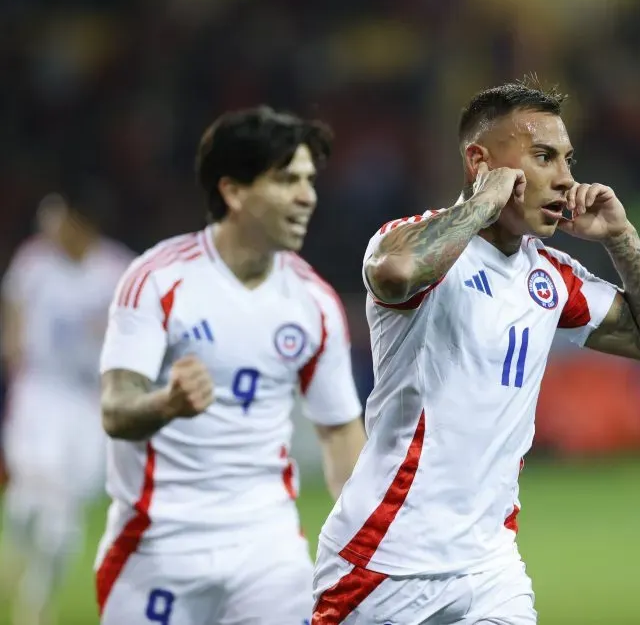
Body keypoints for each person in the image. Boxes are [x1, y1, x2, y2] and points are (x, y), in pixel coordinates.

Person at [312, 80, 640, 624]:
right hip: (386, 559)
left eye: (567, 158)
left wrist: (620, 236)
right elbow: (395, 275)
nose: (565, 178)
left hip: (491, 563)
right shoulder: (411, 242)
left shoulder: (550, 276)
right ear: (478, 160)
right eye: (543, 157)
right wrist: (484, 203)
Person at [94, 106, 367, 625]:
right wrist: (167, 403)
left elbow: (339, 436)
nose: (307, 196)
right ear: (234, 191)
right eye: (287, 180)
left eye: (309, 181)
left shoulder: (314, 302)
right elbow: (115, 407)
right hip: (157, 544)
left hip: (266, 548)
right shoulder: (157, 280)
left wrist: (371, 539)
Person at [0, 187, 133, 625]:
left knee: (62, 522)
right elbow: (14, 311)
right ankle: (17, 554)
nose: (48, 226)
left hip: (87, 406)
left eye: (56, 217)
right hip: (39, 395)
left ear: (80, 222)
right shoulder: (35, 262)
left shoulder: (115, 270)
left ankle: (35, 604)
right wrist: (15, 350)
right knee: (27, 503)